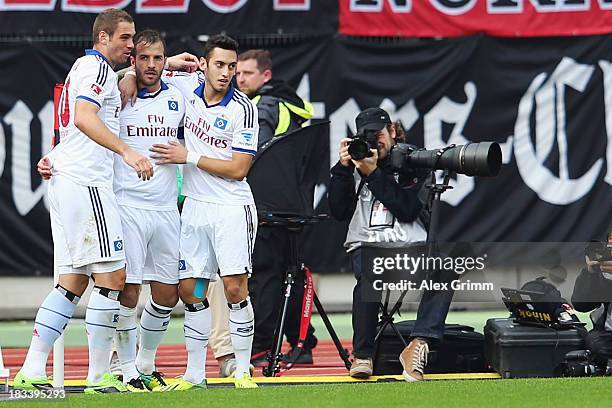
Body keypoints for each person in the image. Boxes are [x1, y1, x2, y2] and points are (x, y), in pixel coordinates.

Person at [13, 8, 153, 393]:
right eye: (125, 38)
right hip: (88, 184)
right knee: (113, 279)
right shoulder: (94, 69)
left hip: (68, 179)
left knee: (72, 281)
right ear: (103, 38)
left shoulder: (92, 70)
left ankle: (32, 368)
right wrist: (127, 151)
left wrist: (167, 62)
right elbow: (84, 117)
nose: (132, 45)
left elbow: (78, 119)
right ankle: (97, 376)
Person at [143, 34, 259, 389]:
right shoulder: (184, 85)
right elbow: (138, 72)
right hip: (193, 208)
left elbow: (239, 168)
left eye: (232, 67)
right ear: (204, 65)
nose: (226, 73)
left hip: (230, 208)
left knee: (235, 288)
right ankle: (195, 373)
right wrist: (162, 65)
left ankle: (242, 370)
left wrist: (187, 156)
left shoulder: (243, 108)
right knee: (192, 291)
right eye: (220, 65)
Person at [328, 107, 454, 382]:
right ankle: (363, 355)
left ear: (393, 132)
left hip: (410, 248)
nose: (375, 143)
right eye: (367, 137)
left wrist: (374, 174)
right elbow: (337, 212)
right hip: (368, 246)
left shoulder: (413, 160)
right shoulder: (355, 162)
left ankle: (419, 343)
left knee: (444, 269)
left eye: (379, 135)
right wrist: (342, 170)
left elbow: (408, 209)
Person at [231, 49, 317, 365]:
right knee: (290, 275)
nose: (239, 79)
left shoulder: (261, 107)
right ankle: (302, 342)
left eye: (246, 74)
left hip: (266, 207)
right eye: (237, 73)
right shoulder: (292, 106)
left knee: (264, 278)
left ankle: (262, 347)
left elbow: (254, 156)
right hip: (293, 206)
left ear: (266, 76)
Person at [111, 29, 186, 392]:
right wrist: (125, 77)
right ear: (132, 61)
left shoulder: (181, 94)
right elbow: (79, 114)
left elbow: (215, 84)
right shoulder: (116, 91)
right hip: (129, 205)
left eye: (158, 58)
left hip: (166, 208)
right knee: (129, 290)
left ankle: (145, 363)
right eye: (144, 58)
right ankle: (125, 368)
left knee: (168, 294)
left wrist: (173, 65)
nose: (151, 65)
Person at [571, 233, 612, 367]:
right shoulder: (603, 272)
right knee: (594, 342)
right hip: (607, 335)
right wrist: (590, 273)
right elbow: (581, 304)